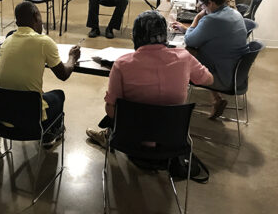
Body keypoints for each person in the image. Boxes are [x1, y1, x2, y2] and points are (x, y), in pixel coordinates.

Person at [86, 10, 213, 148]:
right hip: (171, 138)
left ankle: (108, 135)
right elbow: (208, 80)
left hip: (132, 139)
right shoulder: (184, 57)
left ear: (135, 36)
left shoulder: (121, 64)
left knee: (116, 107)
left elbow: (110, 109)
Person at [0, 1, 81, 147]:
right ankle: (49, 132)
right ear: (36, 17)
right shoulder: (44, 42)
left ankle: (50, 131)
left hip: (3, 115)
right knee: (58, 95)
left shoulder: (7, 41)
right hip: (30, 119)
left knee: (38, 94)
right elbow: (63, 74)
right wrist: (72, 58)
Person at [172, 0, 249, 118]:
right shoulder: (234, 13)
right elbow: (208, 36)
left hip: (222, 77)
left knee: (179, 62)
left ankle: (173, 112)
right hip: (236, 73)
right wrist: (186, 29)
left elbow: (190, 41)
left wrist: (197, 18)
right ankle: (216, 99)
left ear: (210, 3)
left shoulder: (212, 20)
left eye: (201, 4)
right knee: (199, 54)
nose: (200, 8)